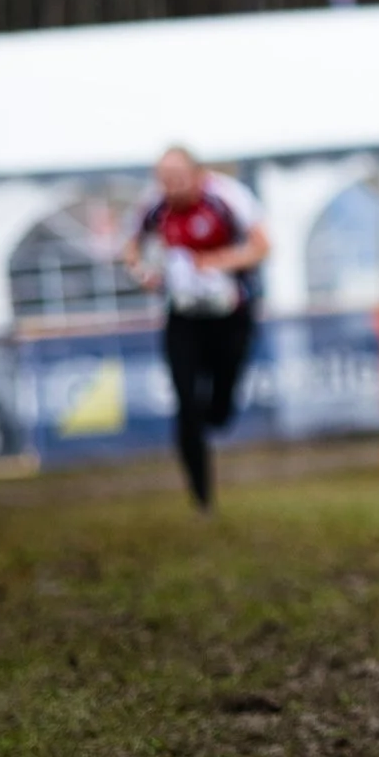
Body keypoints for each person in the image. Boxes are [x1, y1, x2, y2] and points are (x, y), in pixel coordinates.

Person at [121, 147, 270, 511]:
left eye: (178, 177)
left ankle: (214, 415)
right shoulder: (152, 206)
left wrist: (216, 263)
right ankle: (202, 499)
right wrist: (143, 272)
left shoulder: (228, 197)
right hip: (183, 317)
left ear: (198, 173)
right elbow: (130, 249)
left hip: (231, 314)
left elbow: (262, 246)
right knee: (185, 403)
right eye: (164, 179)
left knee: (218, 410)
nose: (170, 186)